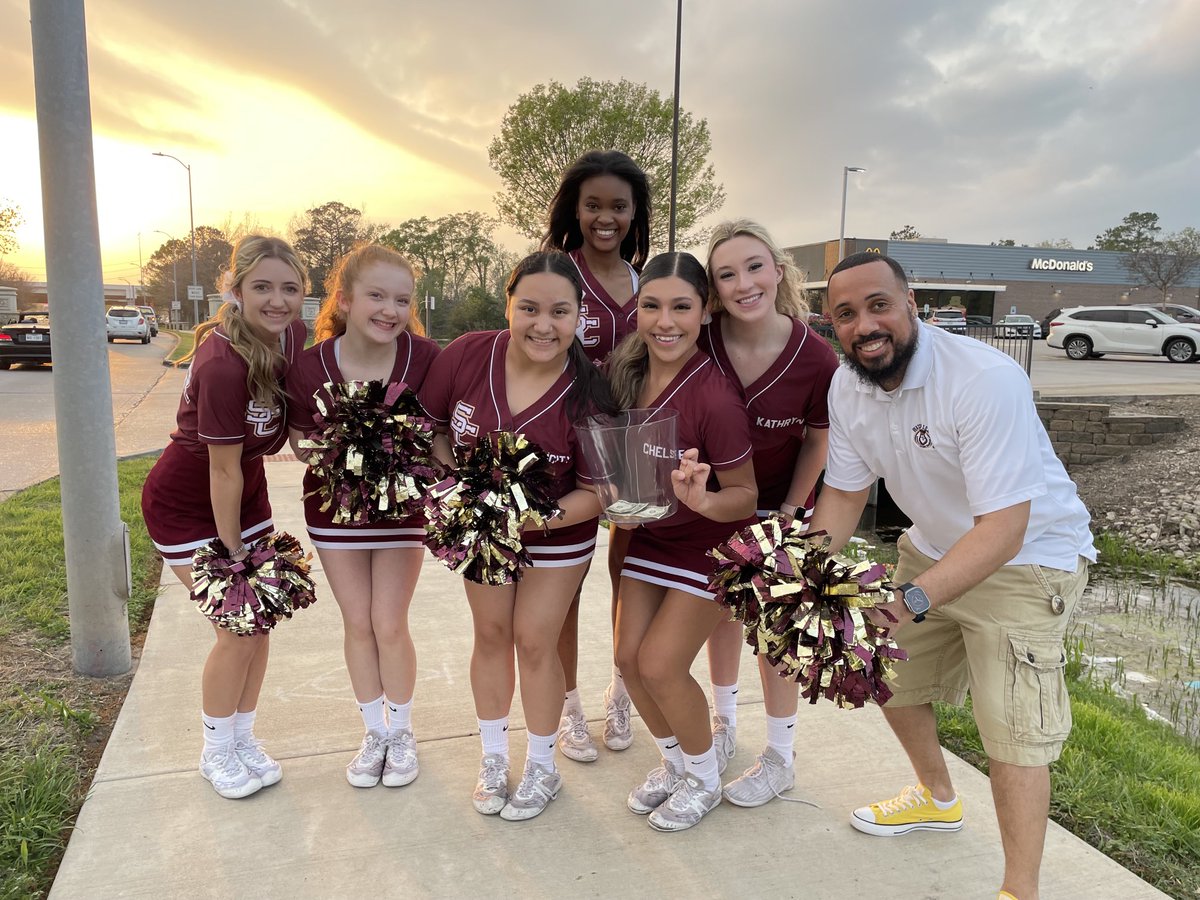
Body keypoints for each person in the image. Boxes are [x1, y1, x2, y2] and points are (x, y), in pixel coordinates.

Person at [808, 252, 1095, 900]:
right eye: (847, 313)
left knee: (1013, 735)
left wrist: (908, 598)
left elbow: (1003, 528)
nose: (865, 324)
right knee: (888, 676)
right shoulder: (846, 387)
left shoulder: (982, 379)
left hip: (1029, 558)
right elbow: (845, 496)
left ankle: (1019, 891)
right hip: (935, 546)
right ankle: (937, 799)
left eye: (879, 304)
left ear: (911, 305)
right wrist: (799, 583)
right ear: (832, 323)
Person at [418, 250, 619, 821]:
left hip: (557, 533)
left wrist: (530, 515)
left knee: (534, 640)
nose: (543, 324)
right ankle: (492, 757)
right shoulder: (467, 354)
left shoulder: (591, 390)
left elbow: (600, 491)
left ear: (579, 316)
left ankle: (541, 765)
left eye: (560, 312)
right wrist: (462, 488)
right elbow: (430, 428)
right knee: (491, 633)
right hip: (482, 532)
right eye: (528, 308)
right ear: (509, 305)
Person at [140, 235, 309, 799]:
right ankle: (215, 752)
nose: (277, 300)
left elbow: (294, 414)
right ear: (234, 290)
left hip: (248, 494)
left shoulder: (294, 337)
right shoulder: (220, 364)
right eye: (262, 287)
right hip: (190, 504)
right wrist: (234, 553)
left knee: (259, 628)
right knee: (237, 627)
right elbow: (221, 472)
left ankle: (242, 738)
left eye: (289, 287)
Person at [608, 251, 758, 832]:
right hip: (651, 536)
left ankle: (704, 778)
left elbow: (744, 495)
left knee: (661, 665)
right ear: (637, 309)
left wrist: (702, 500)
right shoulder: (628, 375)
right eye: (651, 305)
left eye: (681, 307)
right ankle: (676, 764)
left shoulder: (714, 396)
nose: (664, 321)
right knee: (627, 661)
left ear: (705, 313)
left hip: (712, 546)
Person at [286, 244, 439, 789]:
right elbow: (299, 432)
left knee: (389, 621)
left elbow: (440, 431)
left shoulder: (425, 358)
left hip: (401, 510)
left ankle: (402, 734)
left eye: (402, 299)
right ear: (345, 299)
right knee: (358, 622)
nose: (389, 310)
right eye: (376, 296)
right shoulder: (309, 365)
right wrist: (316, 447)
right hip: (334, 510)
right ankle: (374, 731)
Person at [698, 219, 839, 803]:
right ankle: (724, 722)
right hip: (714, 503)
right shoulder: (702, 340)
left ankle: (781, 754)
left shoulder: (815, 355)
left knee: (775, 629)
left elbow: (818, 437)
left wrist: (791, 509)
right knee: (722, 617)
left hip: (779, 509)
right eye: (726, 274)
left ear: (778, 271)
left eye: (754, 266)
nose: (743, 283)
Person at [540, 149, 652, 762]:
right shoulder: (558, 273)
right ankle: (567, 705)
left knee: (626, 575)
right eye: (593, 205)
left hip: (634, 442)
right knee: (566, 581)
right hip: (567, 442)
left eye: (618, 206)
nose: (605, 217)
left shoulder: (647, 281)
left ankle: (621, 692)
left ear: (634, 213)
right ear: (575, 210)